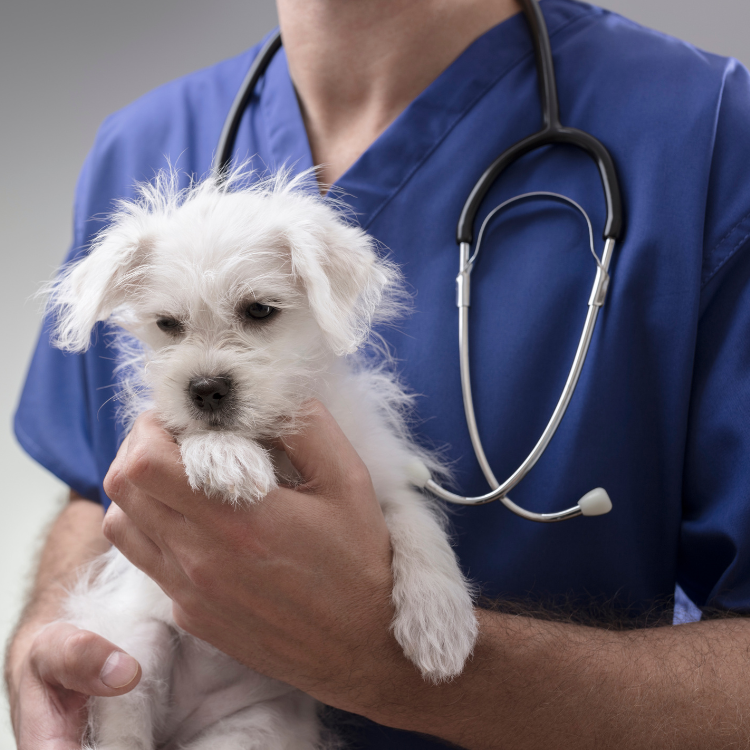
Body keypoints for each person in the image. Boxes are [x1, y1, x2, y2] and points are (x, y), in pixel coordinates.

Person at [7, 0, 750, 746]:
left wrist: (376, 662)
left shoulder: (709, 129)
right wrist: (50, 645)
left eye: (258, 314)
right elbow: (93, 483)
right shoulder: (140, 145)